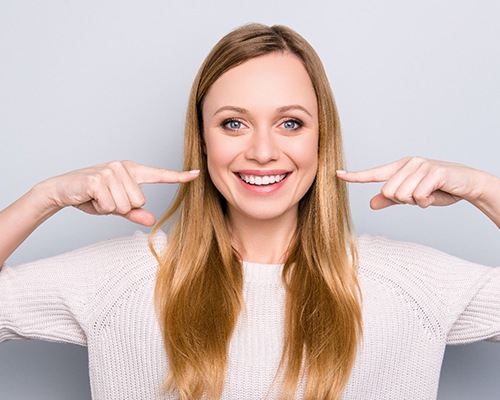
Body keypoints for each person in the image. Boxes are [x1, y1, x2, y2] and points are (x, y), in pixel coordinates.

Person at [0, 23, 498, 400]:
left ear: (322, 139)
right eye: (234, 123)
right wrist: (47, 196)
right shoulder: (122, 278)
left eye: (291, 123)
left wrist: (482, 188)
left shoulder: (407, 284)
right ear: (203, 140)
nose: (262, 151)